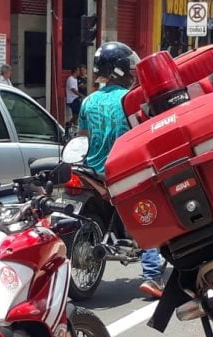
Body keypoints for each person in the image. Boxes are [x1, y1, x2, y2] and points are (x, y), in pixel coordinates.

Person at [78, 41, 165, 299]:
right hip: (124, 171)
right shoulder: (130, 99)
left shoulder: (88, 101)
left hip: (91, 171)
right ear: (120, 70)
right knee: (149, 216)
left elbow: (82, 137)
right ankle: (152, 275)